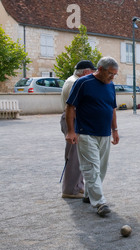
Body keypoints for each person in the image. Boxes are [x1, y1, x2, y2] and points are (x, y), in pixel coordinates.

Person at [65, 57, 120, 217]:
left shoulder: (111, 86)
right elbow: (70, 106)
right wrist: (70, 131)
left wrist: (115, 129)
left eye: (115, 75)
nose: (112, 77)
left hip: (104, 133)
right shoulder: (83, 83)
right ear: (100, 69)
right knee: (91, 168)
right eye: (110, 73)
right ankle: (100, 202)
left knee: (101, 168)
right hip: (86, 132)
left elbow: (112, 109)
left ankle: (89, 195)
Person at [60, 60, 97, 199]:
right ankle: (70, 190)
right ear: (86, 71)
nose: (93, 74)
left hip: (73, 120)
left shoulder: (73, 80)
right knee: (74, 156)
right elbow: (72, 107)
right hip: (72, 121)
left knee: (78, 155)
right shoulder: (75, 82)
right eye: (92, 71)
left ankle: (77, 186)